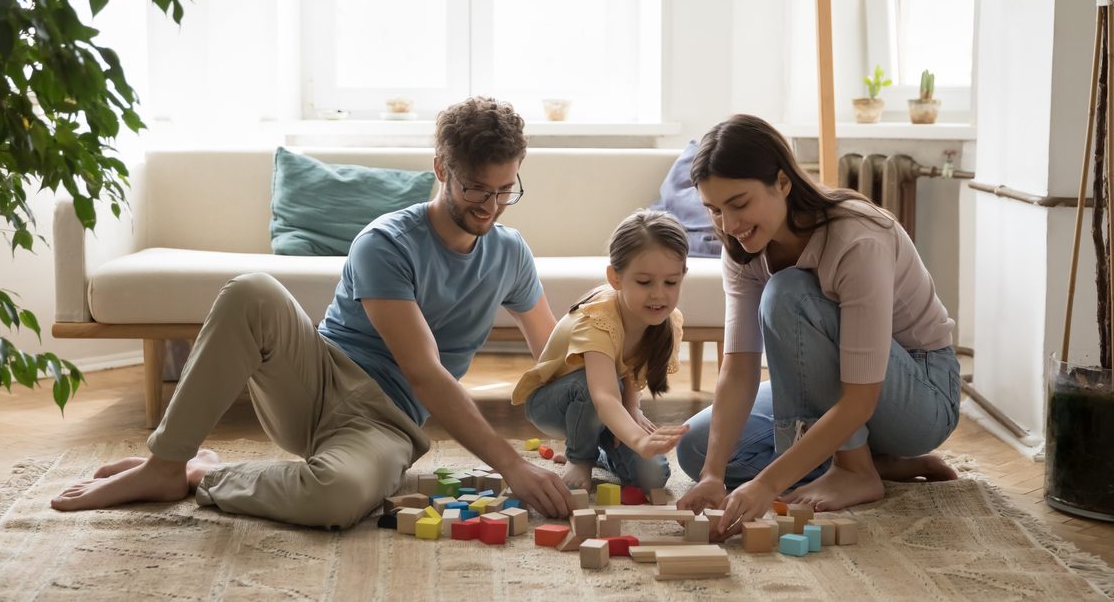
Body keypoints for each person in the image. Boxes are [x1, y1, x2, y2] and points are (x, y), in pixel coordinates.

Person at [51, 97, 575, 527]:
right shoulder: (386, 242)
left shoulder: (510, 254)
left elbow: (552, 360)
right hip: (316, 382)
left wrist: (611, 406)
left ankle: (203, 474)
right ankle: (166, 464)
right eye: (475, 188)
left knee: (338, 497)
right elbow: (424, 373)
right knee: (252, 290)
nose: (491, 205)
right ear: (441, 169)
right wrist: (511, 465)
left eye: (506, 189)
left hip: (385, 423)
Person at [676, 114, 960, 539]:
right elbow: (738, 368)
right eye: (714, 210)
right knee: (695, 447)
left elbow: (860, 399)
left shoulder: (857, 239)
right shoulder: (740, 246)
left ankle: (855, 470)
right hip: (850, 391)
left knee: (788, 293)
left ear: (783, 182)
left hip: (920, 392)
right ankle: (877, 463)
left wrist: (767, 483)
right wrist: (713, 475)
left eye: (739, 203)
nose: (729, 225)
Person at [513, 209, 691, 493]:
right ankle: (580, 457)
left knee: (652, 476)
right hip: (555, 402)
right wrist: (637, 438)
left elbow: (632, 369)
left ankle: (600, 455)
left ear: (683, 275)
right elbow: (603, 395)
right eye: (644, 282)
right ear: (615, 278)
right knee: (587, 387)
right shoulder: (598, 318)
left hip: (607, 404)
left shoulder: (668, 321)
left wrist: (632, 411)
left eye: (671, 282)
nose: (659, 294)